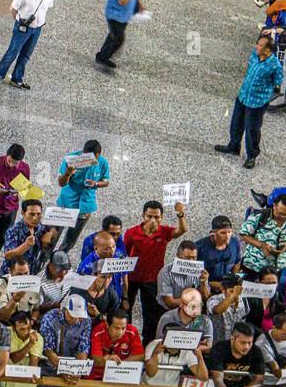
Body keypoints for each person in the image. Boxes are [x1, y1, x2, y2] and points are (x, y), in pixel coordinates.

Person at [214, 34, 283, 169]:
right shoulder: (255, 55)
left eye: (260, 46)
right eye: (257, 44)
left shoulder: (274, 65)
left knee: (252, 130)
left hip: (257, 103)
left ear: (267, 51)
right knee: (236, 123)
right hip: (243, 96)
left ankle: (252, 156)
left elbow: (278, 81)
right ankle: (234, 146)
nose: (256, 47)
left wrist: (265, 91)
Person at [124, 200, 187, 341]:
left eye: (157, 217)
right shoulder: (131, 233)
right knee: (126, 309)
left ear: (161, 217)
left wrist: (180, 213)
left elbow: (182, 230)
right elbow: (125, 255)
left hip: (152, 279)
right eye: (149, 216)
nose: (153, 220)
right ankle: (127, 340)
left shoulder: (164, 232)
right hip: (132, 278)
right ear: (143, 216)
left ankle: (148, 343)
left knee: (151, 313)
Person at [0, 0, 56, 91]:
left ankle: (17, 79)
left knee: (26, 54)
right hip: (22, 28)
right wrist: (19, 21)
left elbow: (47, 8)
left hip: (37, 29)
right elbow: (13, 9)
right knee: (12, 52)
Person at [54, 140, 111, 253]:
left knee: (70, 240)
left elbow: (106, 182)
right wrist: (68, 173)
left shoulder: (103, 162)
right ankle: (44, 259)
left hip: (85, 207)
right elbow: (61, 183)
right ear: (83, 152)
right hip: (66, 204)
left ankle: (60, 257)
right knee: (53, 235)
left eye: (92, 158)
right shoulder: (71, 159)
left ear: (98, 154)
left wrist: (96, 183)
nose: (89, 161)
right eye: (86, 157)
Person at [238, 193, 286, 278]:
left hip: (276, 270)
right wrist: (262, 245)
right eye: (280, 213)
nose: (283, 217)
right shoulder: (259, 217)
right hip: (254, 265)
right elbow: (243, 234)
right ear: (274, 206)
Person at [96, 0, 141, 70]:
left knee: (113, 36)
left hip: (124, 16)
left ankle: (101, 55)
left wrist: (140, 4)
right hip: (115, 15)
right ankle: (103, 57)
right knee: (119, 39)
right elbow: (122, 1)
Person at [194, 216, 241, 295]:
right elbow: (191, 274)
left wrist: (232, 280)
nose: (227, 236)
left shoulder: (234, 243)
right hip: (204, 287)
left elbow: (237, 263)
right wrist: (209, 283)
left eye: (229, 232)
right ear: (213, 233)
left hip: (226, 288)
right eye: (223, 233)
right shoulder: (199, 248)